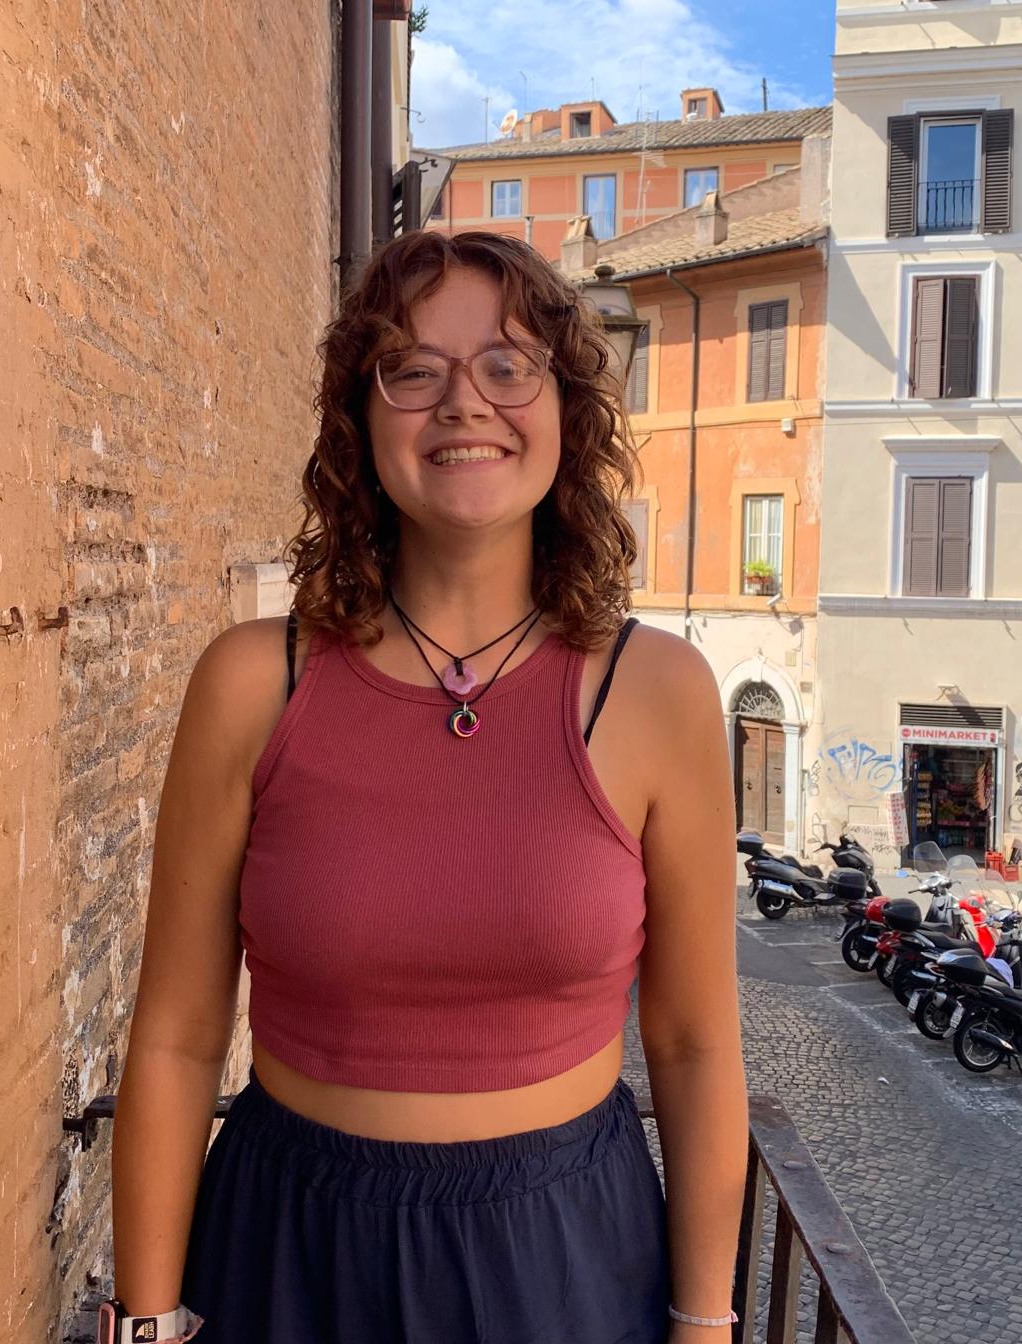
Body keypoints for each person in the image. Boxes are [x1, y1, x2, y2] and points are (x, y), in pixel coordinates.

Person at [101, 230, 748, 1343]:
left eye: (507, 365)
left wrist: (704, 1324)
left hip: (565, 1259)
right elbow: (174, 1032)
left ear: (565, 412)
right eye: (413, 370)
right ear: (361, 420)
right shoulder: (252, 682)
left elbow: (692, 1043)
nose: (465, 404)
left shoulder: (660, 691)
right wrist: (144, 1323)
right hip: (289, 1251)